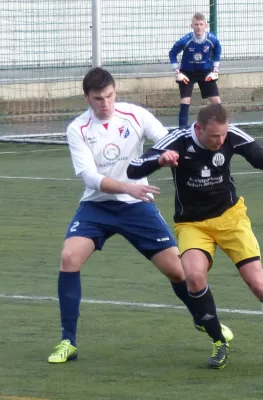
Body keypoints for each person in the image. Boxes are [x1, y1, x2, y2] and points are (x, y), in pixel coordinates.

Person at [47, 67, 232, 364]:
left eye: (109, 96)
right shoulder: (77, 129)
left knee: (178, 271)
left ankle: (205, 319)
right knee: (69, 258)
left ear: (115, 92)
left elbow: (167, 139)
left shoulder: (134, 115)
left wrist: (168, 155)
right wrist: (127, 187)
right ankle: (67, 341)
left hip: (137, 206)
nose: (105, 104)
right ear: (86, 99)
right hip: (98, 206)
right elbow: (89, 177)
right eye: (98, 99)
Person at [127, 104, 263, 370]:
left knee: (258, 284)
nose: (220, 141)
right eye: (214, 136)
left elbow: (261, 156)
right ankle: (219, 341)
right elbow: (133, 169)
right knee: (193, 276)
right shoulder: (177, 141)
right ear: (198, 128)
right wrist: (159, 160)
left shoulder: (230, 135)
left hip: (231, 218)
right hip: (192, 224)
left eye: (223, 135)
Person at [169, 12, 222, 129]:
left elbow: (218, 50)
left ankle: (222, 126)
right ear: (191, 26)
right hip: (187, 73)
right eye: (196, 24)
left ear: (205, 26)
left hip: (205, 72)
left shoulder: (212, 40)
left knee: (216, 101)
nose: (198, 27)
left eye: (201, 24)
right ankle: (182, 130)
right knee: (185, 100)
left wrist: (215, 71)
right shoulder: (185, 40)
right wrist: (177, 72)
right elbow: (172, 53)